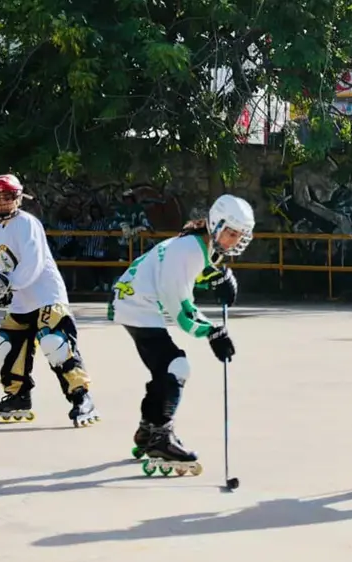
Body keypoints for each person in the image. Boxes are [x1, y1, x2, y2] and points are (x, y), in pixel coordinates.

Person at [0, 174, 100, 427]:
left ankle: (81, 398)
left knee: (54, 343)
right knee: (5, 344)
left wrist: (10, 286)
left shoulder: (27, 223)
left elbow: (32, 263)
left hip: (47, 297)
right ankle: (18, 397)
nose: (2, 203)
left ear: (18, 198)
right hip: (21, 302)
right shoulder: (1, 231)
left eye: (7, 197)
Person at [108, 193, 252, 471]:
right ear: (217, 225)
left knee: (164, 370)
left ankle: (148, 429)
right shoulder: (188, 250)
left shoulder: (198, 246)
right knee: (177, 366)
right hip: (137, 306)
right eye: (232, 233)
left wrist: (216, 277)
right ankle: (160, 437)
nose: (235, 241)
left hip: (133, 301)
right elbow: (179, 307)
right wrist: (212, 332)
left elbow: (195, 272)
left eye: (240, 235)